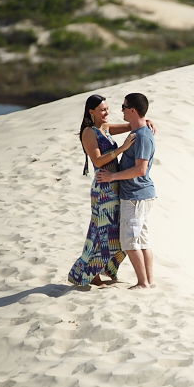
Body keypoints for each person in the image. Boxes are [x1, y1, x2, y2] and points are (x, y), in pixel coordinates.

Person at [67, 94, 141, 287]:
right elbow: (98, 160)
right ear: (91, 112)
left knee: (114, 231)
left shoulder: (105, 128)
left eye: (107, 109)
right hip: (103, 188)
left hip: (114, 186)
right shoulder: (89, 132)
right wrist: (122, 148)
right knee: (101, 233)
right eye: (102, 110)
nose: (106, 113)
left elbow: (131, 126)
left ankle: (102, 269)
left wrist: (146, 121)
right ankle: (88, 273)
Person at [96, 93, 156, 290]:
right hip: (138, 195)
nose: (120, 110)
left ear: (132, 110)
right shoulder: (140, 132)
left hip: (135, 195)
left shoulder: (142, 137)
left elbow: (140, 169)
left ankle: (143, 282)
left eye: (123, 106)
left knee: (130, 240)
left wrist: (112, 177)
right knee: (141, 239)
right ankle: (148, 280)